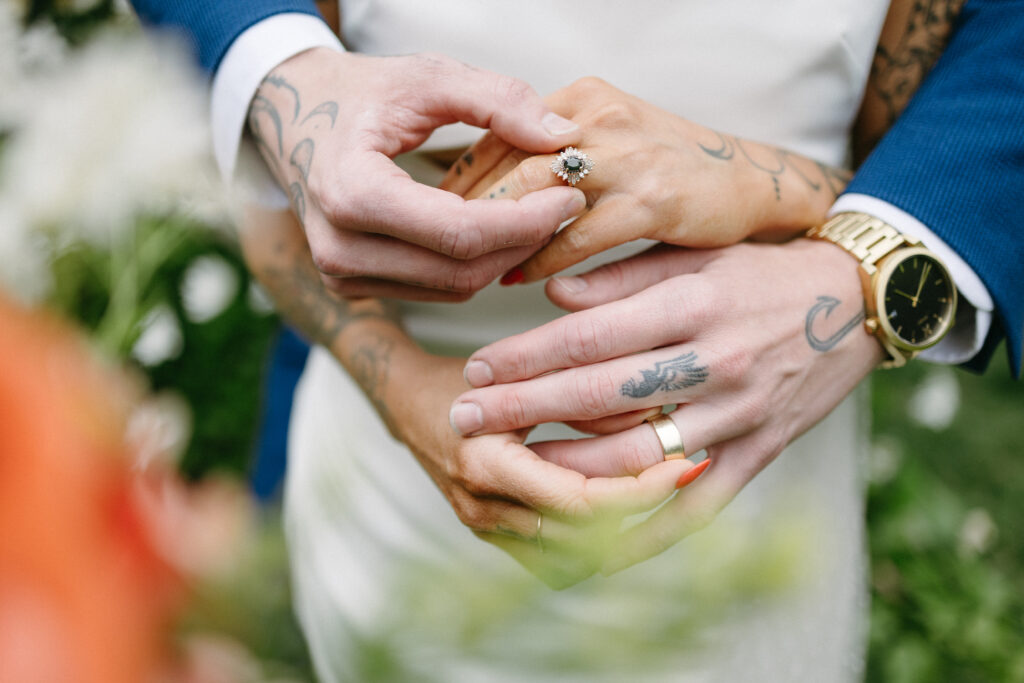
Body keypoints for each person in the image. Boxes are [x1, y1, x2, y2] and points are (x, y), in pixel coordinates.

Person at [129, 1, 1023, 681]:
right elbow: (272, 214)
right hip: (395, 524)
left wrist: (858, 269)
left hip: (761, 514)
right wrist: (407, 394)